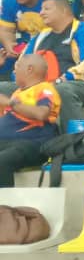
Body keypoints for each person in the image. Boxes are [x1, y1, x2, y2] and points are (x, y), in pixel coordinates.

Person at [15, 0, 84, 124]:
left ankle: (77, 134)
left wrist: (62, 79)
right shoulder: (41, 36)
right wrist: (23, 81)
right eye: (41, 9)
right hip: (40, 86)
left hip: (83, 84)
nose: (41, 13)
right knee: (2, 88)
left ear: (63, 11)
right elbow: (22, 62)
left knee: (62, 90)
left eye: (47, 9)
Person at [0, 54, 60, 187]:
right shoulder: (18, 93)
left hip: (32, 144)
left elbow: (41, 114)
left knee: (2, 161)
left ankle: (5, 200)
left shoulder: (45, 89)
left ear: (29, 69)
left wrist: (11, 103)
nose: (14, 71)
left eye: (17, 66)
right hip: (9, 143)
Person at [0, 0, 52, 76]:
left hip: (47, 45)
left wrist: (30, 49)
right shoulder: (9, 1)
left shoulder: (52, 2)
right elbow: (6, 30)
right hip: (23, 42)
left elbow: (59, 34)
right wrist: (9, 45)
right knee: (3, 50)